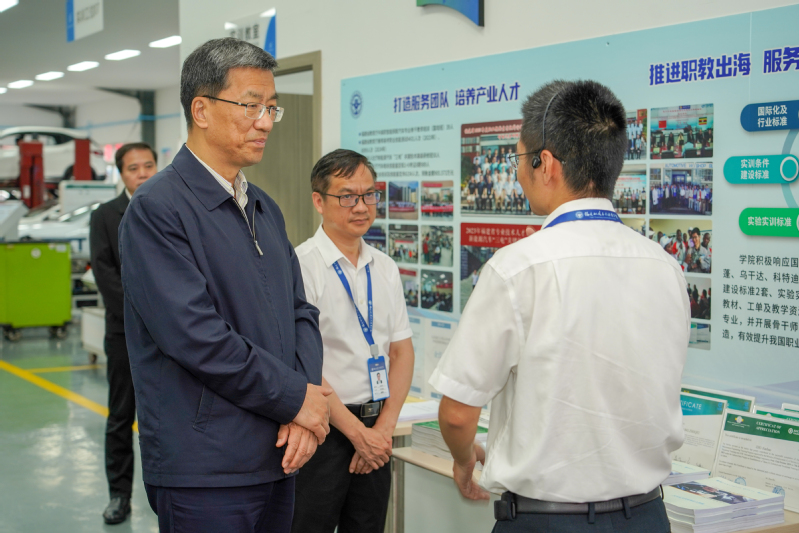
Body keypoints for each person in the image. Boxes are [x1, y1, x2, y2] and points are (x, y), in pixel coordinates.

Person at [430, 80, 689, 532]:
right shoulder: (665, 267)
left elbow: (456, 413)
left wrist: (463, 460)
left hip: (546, 521)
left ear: (545, 164)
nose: (518, 173)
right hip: (648, 516)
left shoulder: (517, 268)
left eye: (518, 159)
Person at [119, 38, 331, 533]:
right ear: (201, 110)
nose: (265, 122)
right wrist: (297, 399)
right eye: (251, 106)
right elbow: (196, 337)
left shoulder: (264, 207)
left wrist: (303, 405)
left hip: (279, 452)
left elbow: (300, 312)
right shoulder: (157, 210)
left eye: (272, 108)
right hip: (206, 469)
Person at [293, 149, 415, 533]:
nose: (361, 206)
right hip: (324, 431)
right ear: (319, 201)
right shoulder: (302, 266)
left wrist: (381, 431)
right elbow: (303, 363)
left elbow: (402, 352)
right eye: (347, 196)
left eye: (369, 194)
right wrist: (356, 434)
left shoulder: (385, 267)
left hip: (378, 428)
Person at [90, 142, 158, 525]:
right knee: (120, 416)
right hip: (125, 334)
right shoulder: (105, 216)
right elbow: (105, 274)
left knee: (166, 416)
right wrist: (147, 315)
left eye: (148, 165)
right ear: (121, 174)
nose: (143, 173)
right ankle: (119, 495)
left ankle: (166, 490)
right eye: (134, 168)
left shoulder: (169, 206)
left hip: (171, 336)